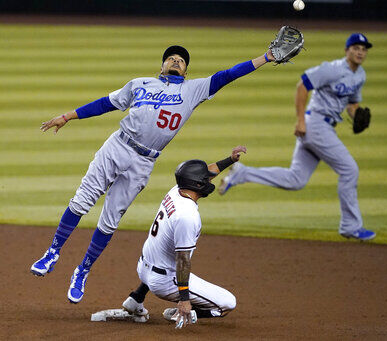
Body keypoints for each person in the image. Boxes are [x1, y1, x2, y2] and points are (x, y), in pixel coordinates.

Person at [30, 40, 282, 304]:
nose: (175, 61)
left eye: (181, 61)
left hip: (144, 161)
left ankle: (83, 270)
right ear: (161, 65)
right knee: (82, 200)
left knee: (109, 220)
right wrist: (68, 116)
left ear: (186, 71)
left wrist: (265, 57)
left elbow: (228, 75)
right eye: (171, 58)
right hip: (117, 146)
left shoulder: (194, 89)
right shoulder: (140, 83)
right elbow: (107, 103)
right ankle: (53, 251)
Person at [219, 33, 376, 241]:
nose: (360, 52)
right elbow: (302, 85)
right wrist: (301, 120)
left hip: (324, 128)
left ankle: (242, 173)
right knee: (349, 169)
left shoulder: (360, 75)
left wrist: (357, 115)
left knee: (296, 180)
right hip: (315, 125)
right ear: (347, 50)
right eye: (356, 48)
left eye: (363, 49)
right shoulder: (332, 69)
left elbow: (352, 103)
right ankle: (350, 226)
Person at [121, 146, 246, 328]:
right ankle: (183, 311)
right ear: (196, 184)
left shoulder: (177, 190)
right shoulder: (187, 216)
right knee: (228, 303)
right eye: (204, 179)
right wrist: (185, 299)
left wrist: (230, 160)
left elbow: (207, 172)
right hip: (164, 281)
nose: (208, 181)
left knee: (162, 248)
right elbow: (183, 260)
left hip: (143, 267)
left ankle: (136, 298)